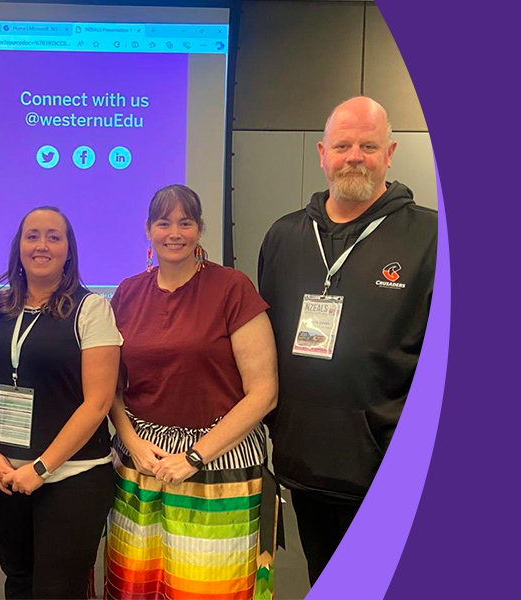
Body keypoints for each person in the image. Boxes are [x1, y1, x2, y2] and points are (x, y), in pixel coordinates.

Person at [258, 96, 438, 583]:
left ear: (390, 153)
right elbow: (268, 343)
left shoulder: (431, 236)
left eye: (368, 145)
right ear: (322, 152)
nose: (354, 155)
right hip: (305, 457)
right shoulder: (284, 236)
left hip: (387, 466)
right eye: (342, 145)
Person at [105, 185, 279, 599]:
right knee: (137, 585)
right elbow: (109, 388)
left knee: (207, 587)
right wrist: (131, 441)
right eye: (164, 222)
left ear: (200, 229)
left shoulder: (232, 288)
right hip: (142, 466)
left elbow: (264, 392)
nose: (175, 232)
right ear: (148, 230)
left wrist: (196, 455)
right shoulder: (127, 293)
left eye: (186, 222)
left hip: (218, 466)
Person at [0, 207, 122, 599]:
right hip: (2, 475)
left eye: (54, 237)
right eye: (33, 236)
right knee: (18, 582)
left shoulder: (91, 309)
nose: (42, 245)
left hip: (72, 476)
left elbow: (98, 402)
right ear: (18, 247)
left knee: (58, 591)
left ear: (68, 251)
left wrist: (41, 468)